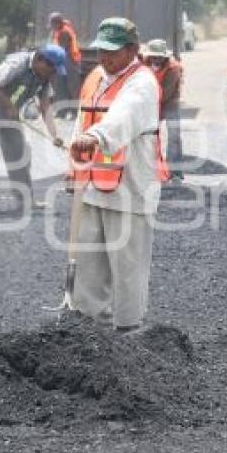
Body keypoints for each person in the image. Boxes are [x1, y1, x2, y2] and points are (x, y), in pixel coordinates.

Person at [67, 17, 164, 332]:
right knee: (88, 266)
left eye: (112, 52)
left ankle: (128, 332)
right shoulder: (96, 77)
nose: (104, 59)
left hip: (130, 189)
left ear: (132, 50)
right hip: (94, 186)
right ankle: (89, 330)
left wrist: (95, 138)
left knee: (127, 267)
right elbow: (82, 119)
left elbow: (124, 115)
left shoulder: (142, 82)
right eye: (100, 52)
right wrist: (73, 167)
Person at [0, 44, 66, 211]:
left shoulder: (44, 78)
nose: (53, 74)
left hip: (10, 113)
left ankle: (25, 201)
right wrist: (9, 106)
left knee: (20, 154)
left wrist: (55, 135)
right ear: (41, 60)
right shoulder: (17, 64)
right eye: (52, 69)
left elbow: (46, 107)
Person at [142, 38, 184, 182]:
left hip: (170, 102)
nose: (156, 60)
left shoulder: (173, 68)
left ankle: (174, 171)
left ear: (164, 56)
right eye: (153, 56)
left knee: (174, 136)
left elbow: (165, 93)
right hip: (153, 102)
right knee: (148, 135)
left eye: (158, 57)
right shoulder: (144, 64)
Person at [48, 12, 82, 119]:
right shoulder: (61, 30)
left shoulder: (64, 33)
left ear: (57, 23)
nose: (51, 27)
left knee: (71, 88)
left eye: (52, 24)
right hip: (66, 61)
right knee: (61, 87)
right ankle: (62, 112)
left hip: (69, 61)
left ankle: (74, 113)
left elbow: (60, 50)